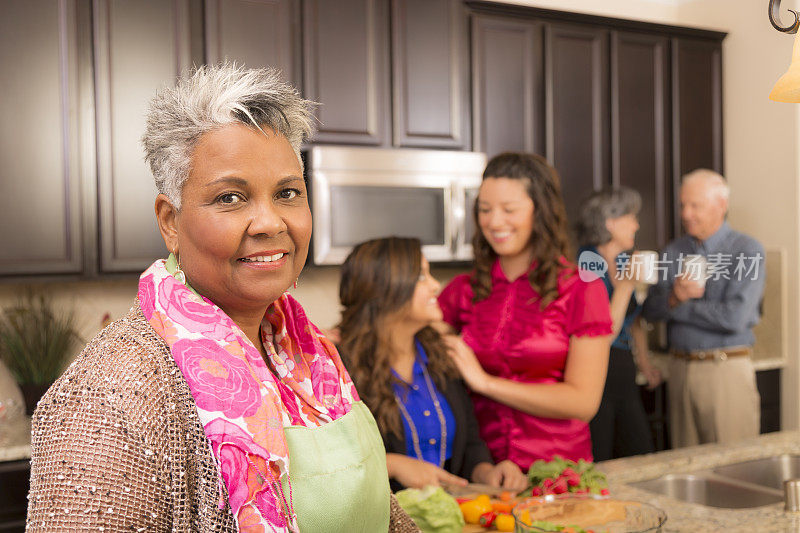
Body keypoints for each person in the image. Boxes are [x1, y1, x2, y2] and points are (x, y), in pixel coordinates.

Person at [26, 64, 418, 533]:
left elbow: (380, 513)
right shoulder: (112, 395)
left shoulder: (308, 357)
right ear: (170, 221)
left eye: (288, 192)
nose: (271, 223)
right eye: (231, 198)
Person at [437, 152, 613, 470]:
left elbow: (583, 402)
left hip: (557, 473)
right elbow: (404, 337)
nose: (494, 222)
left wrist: (485, 383)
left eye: (509, 209)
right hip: (484, 473)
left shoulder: (582, 288)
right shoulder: (463, 290)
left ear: (540, 211)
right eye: (485, 210)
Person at [337, 237, 528, 492]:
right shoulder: (337, 367)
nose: (436, 285)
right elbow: (330, 464)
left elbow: (470, 443)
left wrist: (488, 471)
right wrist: (391, 464)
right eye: (421, 277)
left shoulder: (442, 355)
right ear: (385, 288)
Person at [642, 169, 765, 448]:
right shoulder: (673, 251)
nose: (686, 214)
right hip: (680, 371)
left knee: (734, 465)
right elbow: (650, 310)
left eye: (695, 205)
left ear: (721, 205)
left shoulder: (747, 251)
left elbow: (735, 318)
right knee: (686, 472)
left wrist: (680, 305)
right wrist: (673, 297)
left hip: (724, 371)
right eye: (683, 205)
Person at [576, 188, 662, 461]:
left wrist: (645, 363)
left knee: (640, 451)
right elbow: (603, 333)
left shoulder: (626, 260)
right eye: (631, 217)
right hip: (596, 367)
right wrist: (625, 286)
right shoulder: (587, 262)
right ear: (610, 222)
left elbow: (633, 320)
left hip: (624, 367)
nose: (636, 225)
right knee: (600, 455)